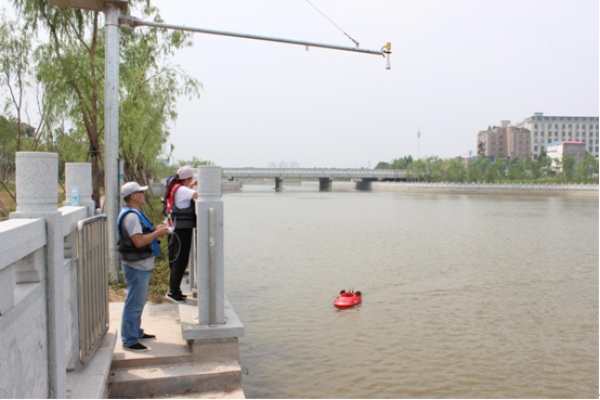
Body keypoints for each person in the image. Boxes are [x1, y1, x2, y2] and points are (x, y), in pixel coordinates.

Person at [117, 181, 171, 352]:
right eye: (141, 192)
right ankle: (129, 340)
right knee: (134, 303)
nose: (143, 195)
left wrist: (155, 229)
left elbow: (142, 234)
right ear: (133, 196)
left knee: (138, 302)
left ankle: (136, 332)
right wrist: (157, 234)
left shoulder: (135, 213)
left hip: (141, 264)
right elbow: (138, 241)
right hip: (137, 266)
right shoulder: (132, 216)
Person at [164, 166, 199, 303]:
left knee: (175, 259)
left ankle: (175, 289)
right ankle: (173, 291)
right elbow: (199, 196)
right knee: (181, 260)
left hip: (175, 229)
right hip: (182, 230)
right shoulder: (183, 190)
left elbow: (185, 192)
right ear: (187, 178)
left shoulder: (175, 187)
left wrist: (191, 185)